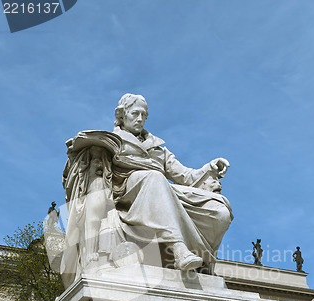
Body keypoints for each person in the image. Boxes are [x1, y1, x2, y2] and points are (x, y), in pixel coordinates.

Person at [61, 93, 233, 283]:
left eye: (144, 115)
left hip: (162, 192)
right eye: (135, 114)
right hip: (126, 193)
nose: (140, 119)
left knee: (219, 208)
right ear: (121, 115)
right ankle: (179, 249)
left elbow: (186, 177)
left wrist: (210, 167)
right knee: (154, 178)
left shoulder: (158, 148)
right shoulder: (112, 141)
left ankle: (204, 265)